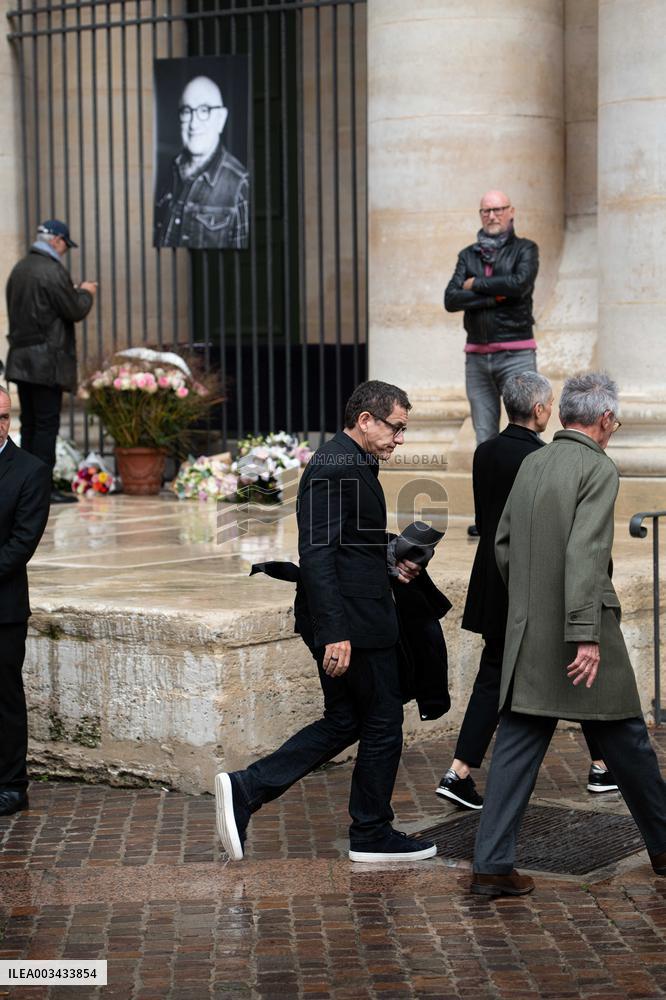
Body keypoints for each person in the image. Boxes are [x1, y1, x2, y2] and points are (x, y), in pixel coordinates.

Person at [215, 380, 438, 863]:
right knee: (382, 724)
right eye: (396, 428)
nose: (400, 439)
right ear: (365, 421)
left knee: (345, 721)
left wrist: (390, 557)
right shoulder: (335, 466)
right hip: (351, 625)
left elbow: (346, 541)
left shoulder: (355, 463)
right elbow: (316, 552)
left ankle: (247, 789)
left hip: (358, 615)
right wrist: (335, 631)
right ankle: (372, 832)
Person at [471, 373, 666, 897]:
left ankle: (490, 864)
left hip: (529, 632)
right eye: (616, 422)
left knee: (517, 744)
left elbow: (503, 544)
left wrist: (533, 603)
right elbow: (585, 553)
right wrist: (584, 633)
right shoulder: (597, 467)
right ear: (604, 420)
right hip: (583, 632)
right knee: (627, 738)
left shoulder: (533, 461)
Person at [436, 372, 618, 809]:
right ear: (539, 410)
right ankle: (600, 766)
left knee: (499, 673)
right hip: (529, 581)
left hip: (492, 579)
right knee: (569, 666)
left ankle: (599, 764)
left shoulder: (484, 452)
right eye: (549, 404)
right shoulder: (540, 459)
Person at [5, 219, 96, 505]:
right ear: (56, 240)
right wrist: (86, 292)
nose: (65, 251)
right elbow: (74, 308)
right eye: (65, 245)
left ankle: (24, 486)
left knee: (30, 425)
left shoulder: (20, 269)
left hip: (21, 360)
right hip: (46, 363)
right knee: (45, 427)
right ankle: (41, 489)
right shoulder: (51, 270)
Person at [0, 384, 51, 816]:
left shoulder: (30, 471)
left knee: (5, 699)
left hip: (3, 609)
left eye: (4, 416)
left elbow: (20, 545)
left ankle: (13, 786)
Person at [153, 75, 249, 249]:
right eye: (187, 111)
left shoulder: (241, 185)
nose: (194, 124)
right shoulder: (169, 172)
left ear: (221, 119)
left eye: (204, 110)